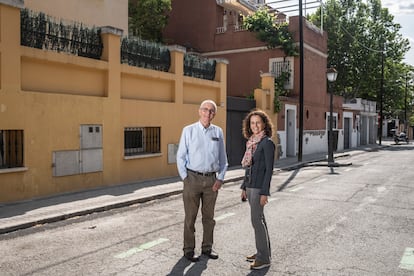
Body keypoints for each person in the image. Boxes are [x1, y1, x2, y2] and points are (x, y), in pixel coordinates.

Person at [176, 99, 228, 262]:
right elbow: (180, 156)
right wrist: (185, 178)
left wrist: (220, 178)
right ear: (199, 111)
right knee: (190, 217)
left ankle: (207, 248)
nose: (208, 113)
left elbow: (223, 159)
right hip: (192, 178)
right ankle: (188, 249)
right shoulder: (188, 130)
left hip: (211, 181)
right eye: (205, 109)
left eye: (211, 111)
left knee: (209, 218)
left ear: (214, 114)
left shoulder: (218, 132)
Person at [240, 109, 275, 270]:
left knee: (256, 221)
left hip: (259, 187)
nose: (255, 125)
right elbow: (248, 167)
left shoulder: (267, 143)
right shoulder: (252, 142)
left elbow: (269, 169)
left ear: (264, 124)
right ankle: (263, 252)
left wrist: (264, 192)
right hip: (250, 186)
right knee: (260, 220)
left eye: (258, 122)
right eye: (252, 123)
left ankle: (263, 258)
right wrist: (243, 187)